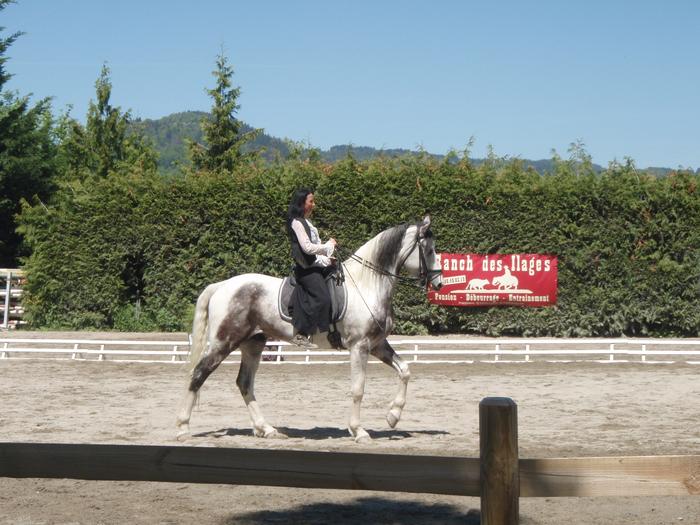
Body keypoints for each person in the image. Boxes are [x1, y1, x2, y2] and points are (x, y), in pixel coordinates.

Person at [286, 188, 337, 349]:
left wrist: (328, 260)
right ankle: (302, 333)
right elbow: (307, 248)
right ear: (302, 203)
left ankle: (335, 330)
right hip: (306, 269)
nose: (314, 204)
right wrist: (327, 246)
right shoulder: (296, 222)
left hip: (314, 265)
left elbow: (315, 254)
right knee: (323, 298)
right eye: (311, 201)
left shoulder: (307, 222)